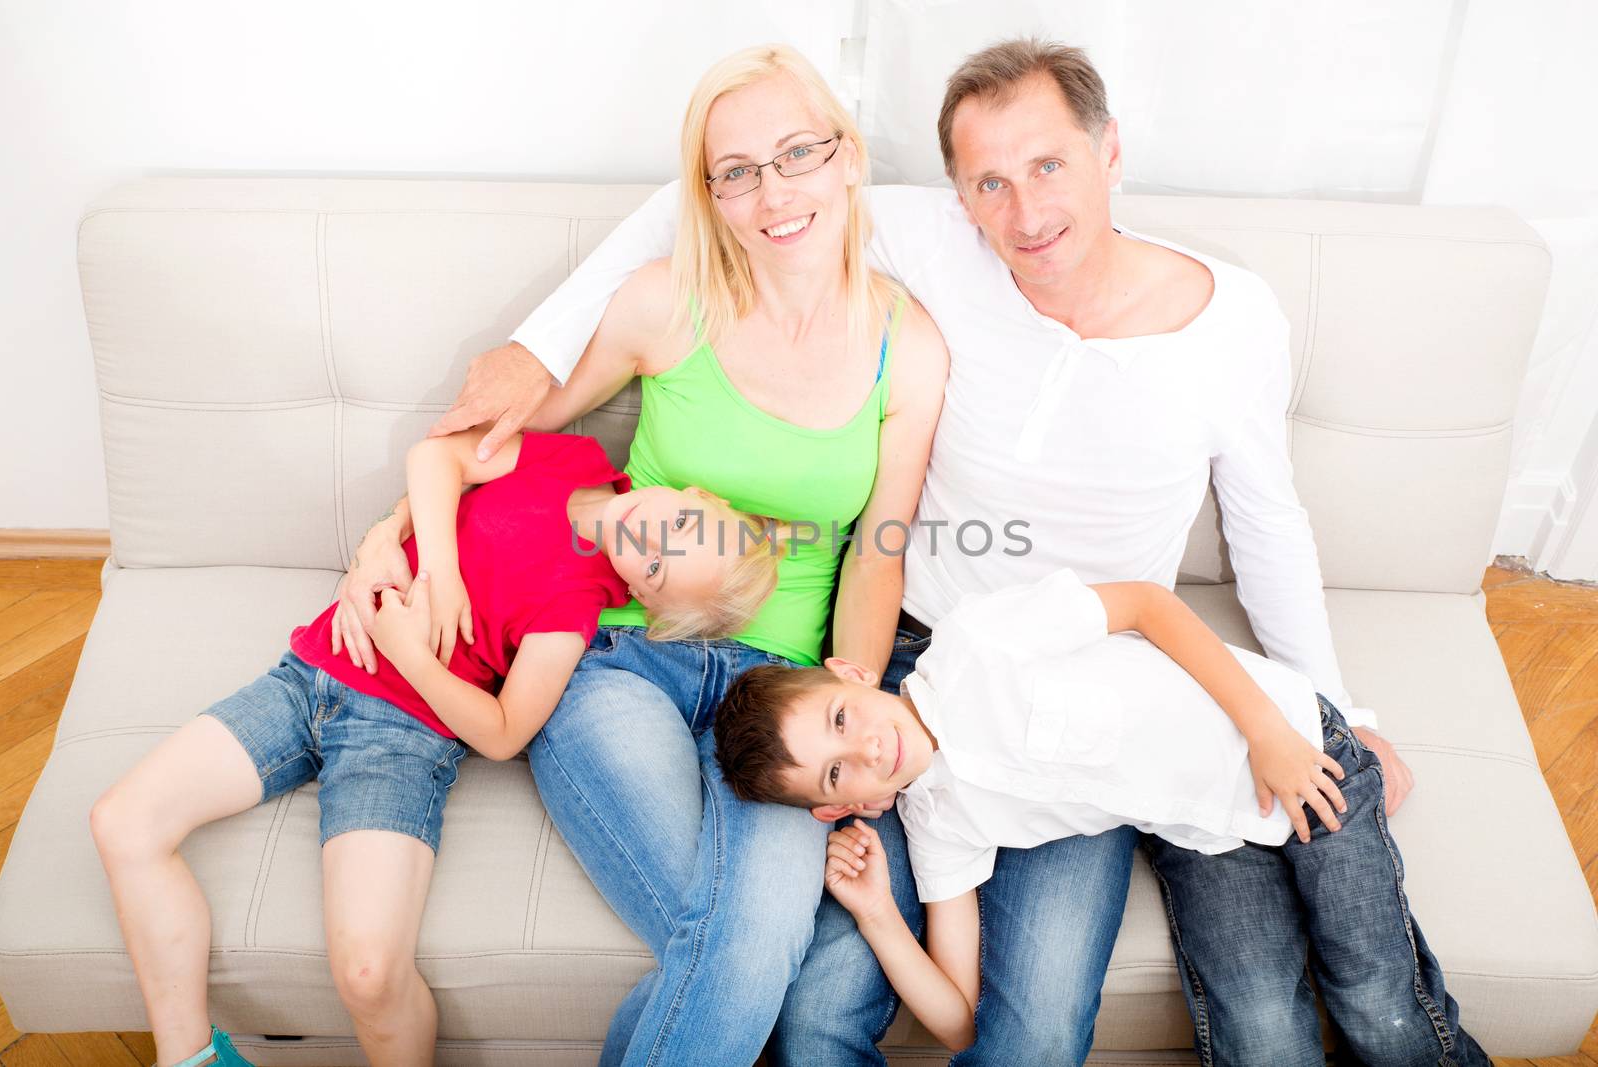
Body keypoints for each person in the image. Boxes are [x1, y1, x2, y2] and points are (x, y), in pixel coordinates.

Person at [405, 37, 1420, 1063]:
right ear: (956, 192)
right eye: (989, 181)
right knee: (806, 992)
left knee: (1017, 1027)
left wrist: (1342, 709)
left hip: (1057, 666)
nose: (1023, 211)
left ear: (1110, 150)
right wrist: (528, 354)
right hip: (895, 666)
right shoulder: (921, 235)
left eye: (1048, 165)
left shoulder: (1219, 317)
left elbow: (1265, 524)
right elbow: (704, 199)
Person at [330, 44, 947, 1067]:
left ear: (847, 159)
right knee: (748, 950)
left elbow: (877, 551)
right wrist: (386, 535)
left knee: (740, 948)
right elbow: (497, 451)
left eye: (797, 153)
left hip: (780, 687)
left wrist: (853, 687)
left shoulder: (908, 347)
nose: (772, 192)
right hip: (614, 657)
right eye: (736, 171)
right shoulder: (666, 301)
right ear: (707, 194)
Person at [89, 428, 779, 1067]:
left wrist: (411, 655)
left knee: (368, 971)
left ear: (643, 598)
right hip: (311, 672)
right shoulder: (572, 461)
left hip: (399, 736)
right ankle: (191, 1058)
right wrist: (435, 567)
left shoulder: (576, 604)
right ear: (694, 495)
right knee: (122, 821)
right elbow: (436, 456)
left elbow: (505, 731)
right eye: (681, 523)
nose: (650, 538)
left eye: (657, 567)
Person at [713, 568, 1488, 1067]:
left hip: (1297, 751)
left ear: (853, 673)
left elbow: (1147, 604)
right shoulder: (938, 823)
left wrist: (1268, 733)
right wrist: (879, 913)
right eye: (838, 770)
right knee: (1260, 1034)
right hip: (1213, 839)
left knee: (1378, 1004)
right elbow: (957, 1022)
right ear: (844, 807)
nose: (868, 749)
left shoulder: (977, 644)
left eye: (843, 718)